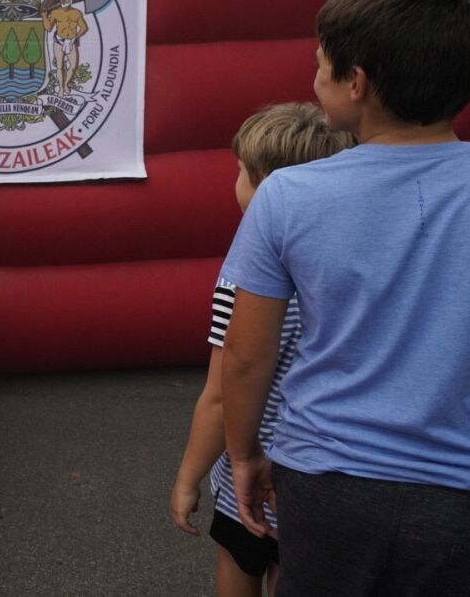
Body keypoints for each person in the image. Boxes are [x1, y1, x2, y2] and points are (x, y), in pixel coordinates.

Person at [220, 0, 470, 596]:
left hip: (326, 479)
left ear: (357, 83)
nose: (315, 80)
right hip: (468, 488)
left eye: (320, 66)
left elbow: (244, 355)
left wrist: (243, 453)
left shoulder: (286, 194)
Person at [170, 103, 354, 597]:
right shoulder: (345, 268)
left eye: (240, 174)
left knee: (238, 564)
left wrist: (188, 477)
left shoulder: (243, 279)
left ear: (268, 187)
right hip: (325, 473)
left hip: (249, 473)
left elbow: (221, 393)